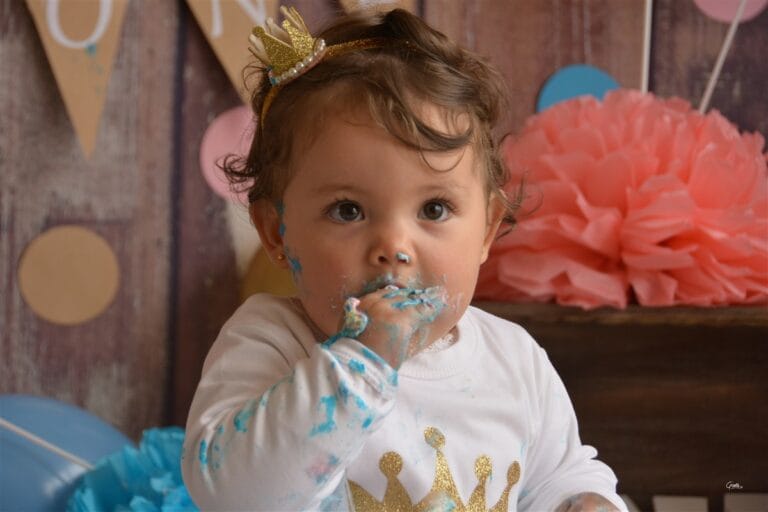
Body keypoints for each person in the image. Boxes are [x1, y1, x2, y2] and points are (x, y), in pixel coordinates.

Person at [182, 6, 627, 512]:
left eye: (434, 208)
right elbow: (233, 493)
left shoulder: (514, 359)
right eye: (347, 210)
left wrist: (583, 499)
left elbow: (558, 473)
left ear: (487, 227)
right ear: (277, 231)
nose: (393, 246)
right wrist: (361, 363)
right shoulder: (273, 344)